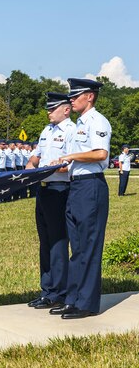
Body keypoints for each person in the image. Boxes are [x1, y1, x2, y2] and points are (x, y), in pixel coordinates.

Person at [53, 78, 111, 319]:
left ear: (90, 96)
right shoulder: (79, 124)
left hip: (91, 187)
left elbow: (100, 153)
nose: (72, 100)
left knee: (88, 246)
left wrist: (71, 156)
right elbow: (76, 162)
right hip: (77, 187)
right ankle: (73, 299)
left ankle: (86, 303)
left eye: (76, 96)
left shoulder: (97, 121)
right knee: (77, 247)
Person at [25, 92, 75, 310]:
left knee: (58, 243)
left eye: (52, 108)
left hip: (60, 189)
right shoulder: (47, 131)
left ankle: (60, 292)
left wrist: (52, 168)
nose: (48, 112)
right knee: (45, 242)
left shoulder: (71, 131)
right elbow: (35, 157)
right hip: (43, 190)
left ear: (66, 109)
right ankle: (47, 291)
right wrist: (30, 168)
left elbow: (71, 165)